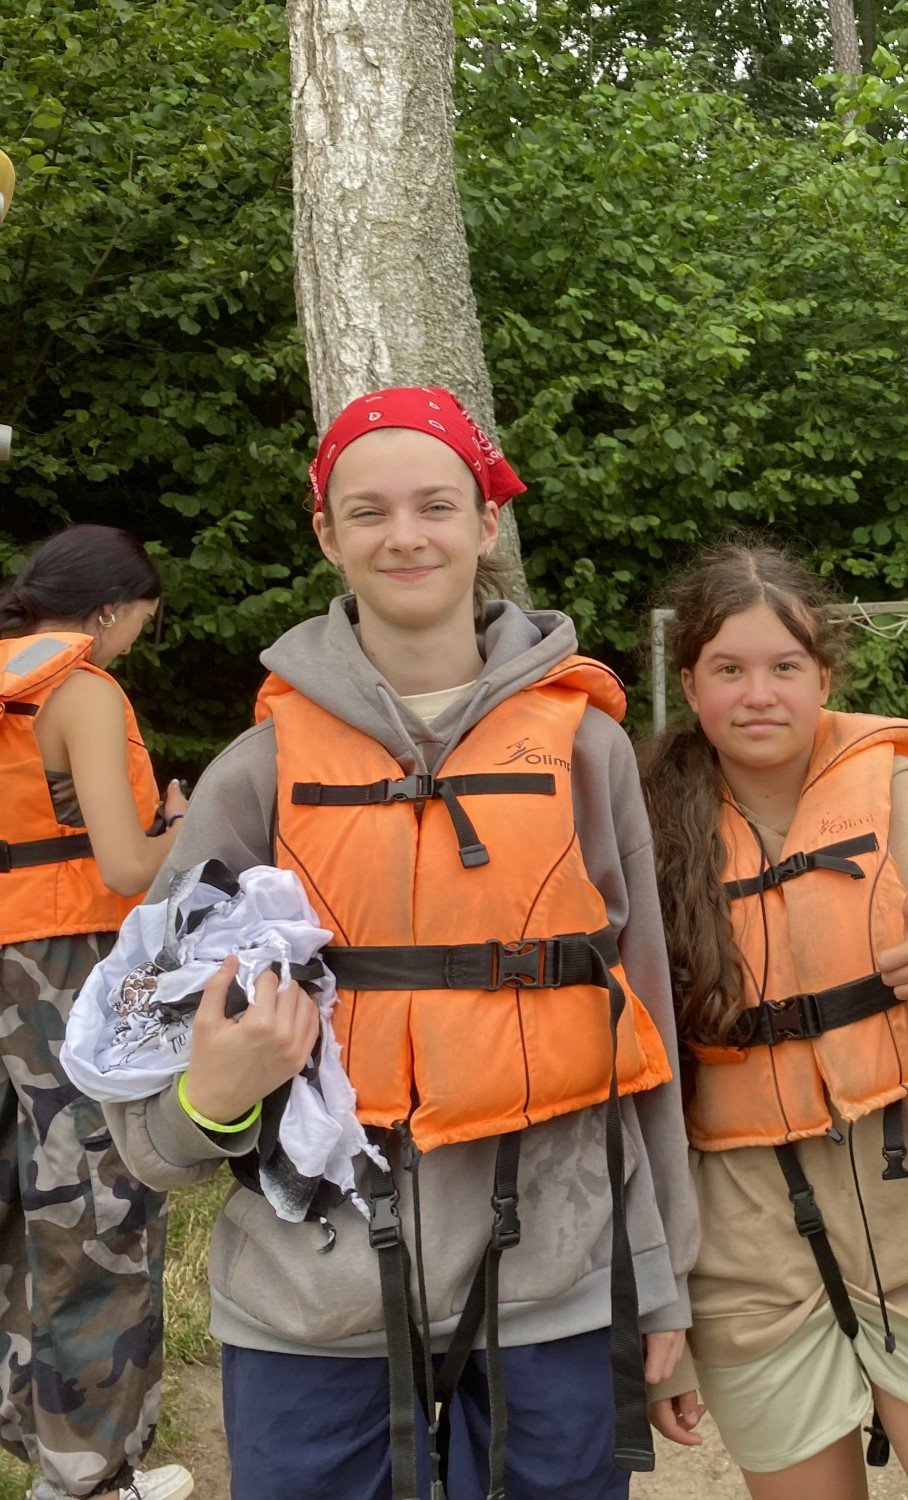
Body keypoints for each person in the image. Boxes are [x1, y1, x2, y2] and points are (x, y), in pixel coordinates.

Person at [99, 387, 699, 1500]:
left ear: (486, 522)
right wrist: (207, 1103)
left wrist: (662, 1282)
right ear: (327, 534)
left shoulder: (587, 752)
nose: (405, 536)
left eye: (436, 505)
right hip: (309, 1302)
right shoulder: (258, 770)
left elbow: (644, 1022)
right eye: (368, 512)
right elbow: (144, 1096)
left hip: (554, 1282)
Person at [641, 541, 908, 1500]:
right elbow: (641, 1098)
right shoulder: (649, 833)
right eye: (728, 670)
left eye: (785, 667)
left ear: (824, 677)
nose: (759, 694)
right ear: (690, 684)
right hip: (749, 1276)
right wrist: (666, 1322)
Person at [0, 526, 191, 1500]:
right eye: (138, 626)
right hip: (65, 975)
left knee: (16, 1213)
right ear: (109, 610)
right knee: (97, 1213)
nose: (130, 645)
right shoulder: (82, 692)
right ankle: (89, 1477)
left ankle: (42, 1445)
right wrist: (186, 827)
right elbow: (123, 866)